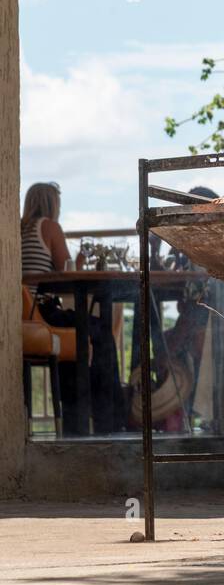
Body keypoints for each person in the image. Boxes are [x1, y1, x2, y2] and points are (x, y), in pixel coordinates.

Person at [21, 181, 123, 435]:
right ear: (52, 204)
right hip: (41, 310)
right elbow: (65, 272)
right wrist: (80, 260)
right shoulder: (49, 227)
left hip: (24, 315)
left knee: (78, 331)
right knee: (100, 331)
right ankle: (108, 418)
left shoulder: (18, 229)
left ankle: (76, 419)